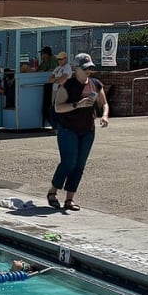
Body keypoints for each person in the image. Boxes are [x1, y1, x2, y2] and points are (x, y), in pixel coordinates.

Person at [47, 52, 108, 213]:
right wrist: (77, 105)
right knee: (69, 162)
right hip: (68, 129)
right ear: (76, 69)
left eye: (90, 68)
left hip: (87, 130)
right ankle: (53, 191)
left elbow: (104, 103)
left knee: (79, 165)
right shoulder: (68, 86)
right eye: (85, 68)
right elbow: (58, 107)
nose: (88, 71)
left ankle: (69, 199)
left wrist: (105, 116)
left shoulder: (95, 84)